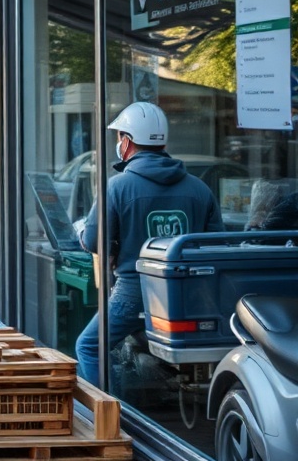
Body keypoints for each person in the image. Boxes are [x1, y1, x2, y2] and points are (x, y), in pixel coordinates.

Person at [76, 101, 223, 388]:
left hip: (135, 295)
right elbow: (214, 246)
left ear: (128, 142)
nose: (118, 142)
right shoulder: (199, 188)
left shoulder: (117, 187)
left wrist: (85, 233)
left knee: (89, 347)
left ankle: (107, 419)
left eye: (119, 136)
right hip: (188, 297)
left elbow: (94, 241)